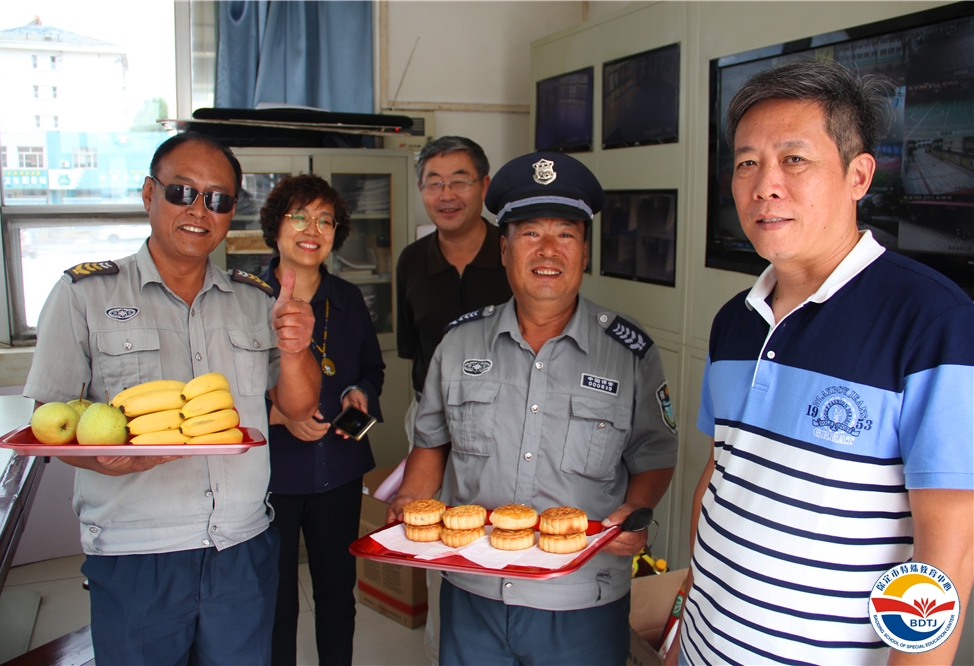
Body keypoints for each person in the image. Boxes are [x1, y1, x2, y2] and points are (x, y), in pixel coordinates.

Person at [673, 61, 973, 665]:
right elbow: (721, 473)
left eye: (794, 159)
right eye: (747, 163)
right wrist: (688, 610)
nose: (765, 185)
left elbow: (948, 551)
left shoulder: (933, 321)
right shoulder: (734, 320)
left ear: (859, 176)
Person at [23, 132, 321, 666]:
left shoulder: (254, 300)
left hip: (241, 547)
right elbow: (50, 421)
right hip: (137, 551)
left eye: (218, 199)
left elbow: (297, 409)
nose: (199, 210)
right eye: (182, 192)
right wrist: (105, 459)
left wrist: (297, 348)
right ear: (148, 194)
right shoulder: (84, 294)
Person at [387, 151, 679, 666]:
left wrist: (633, 513)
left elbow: (654, 454)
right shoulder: (458, 344)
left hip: (581, 597)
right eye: (529, 234)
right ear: (504, 249)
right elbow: (432, 443)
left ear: (584, 252)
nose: (548, 250)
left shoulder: (629, 352)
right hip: (473, 588)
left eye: (565, 234)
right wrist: (410, 498)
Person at [256, 174, 384, 665]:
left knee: (336, 594)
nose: (312, 230)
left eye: (325, 221)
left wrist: (360, 392)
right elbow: (223, 392)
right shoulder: (246, 297)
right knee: (276, 600)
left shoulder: (348, 299)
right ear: (276, 227)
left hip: (339, 472)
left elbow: (373, 367)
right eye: (299, 217)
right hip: (271, 476)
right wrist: (280, 416)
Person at [395, 135, 512, 662]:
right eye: (434, 183)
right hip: (431, 420)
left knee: (499, 529)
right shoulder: (412, 261)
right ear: (421, 190)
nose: (446, 194)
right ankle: (447, 650)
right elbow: (412, 349)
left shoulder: (513, 250)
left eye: (459, 181)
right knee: (435, 537)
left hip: (510, 421)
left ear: (484, 186)